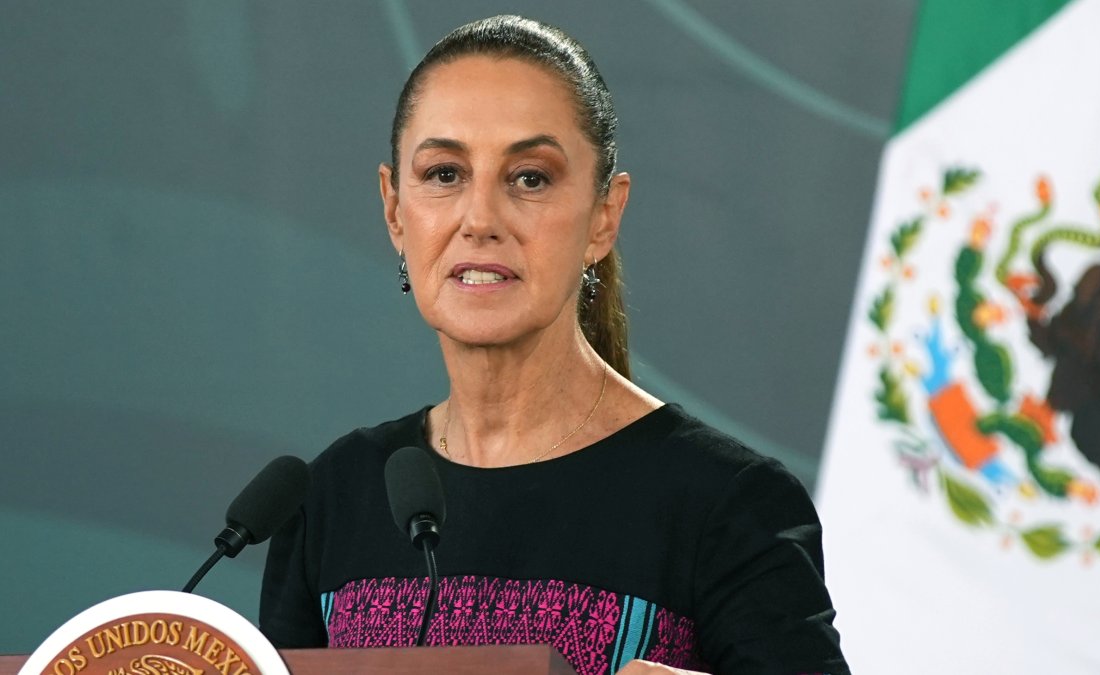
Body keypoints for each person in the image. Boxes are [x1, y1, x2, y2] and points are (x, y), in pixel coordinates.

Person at [259, 15, 849, 675]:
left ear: (604, 216)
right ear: (395, 211)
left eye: (531, 178)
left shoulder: (726, 503)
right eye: (445, 173)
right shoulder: (332, 498)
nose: (480, 219)